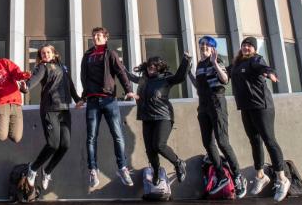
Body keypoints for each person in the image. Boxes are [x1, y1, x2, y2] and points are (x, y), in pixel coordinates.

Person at [228, 36, 290, 202]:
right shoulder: (236, 64)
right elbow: (224, 72)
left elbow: (264, 67)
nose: (246, 48)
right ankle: (261, 175)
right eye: (244, 45)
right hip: (246, 107)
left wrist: (270, 74)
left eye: (249, 46)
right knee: (254, 141)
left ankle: (282, 179)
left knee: (269, 140)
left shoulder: (255, 60)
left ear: (254, 49)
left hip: (261, 106)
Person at [76, 27, 136, 188]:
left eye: (98, 35)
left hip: (109, 100)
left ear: (105, 38)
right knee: (91, 137)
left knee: (117, 135)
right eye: (94, 35)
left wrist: (129, 90)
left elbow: (121, 72)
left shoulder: (111, 54)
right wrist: (83, 97)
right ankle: (93, 170)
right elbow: (84, 78)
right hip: (92, 102)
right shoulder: (87, 56)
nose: (95, 37)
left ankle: (122, 168)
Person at [187, 36, 247, 198]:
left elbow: (225, 79)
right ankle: (221, 175)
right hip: (203, 105)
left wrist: (214, 63)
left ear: (213, 48)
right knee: (208, 143)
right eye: (202, 44)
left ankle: (237, 175)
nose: (204, 47)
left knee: (222, 141)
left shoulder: (217, 60)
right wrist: (189, 72)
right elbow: (199, 85)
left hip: (217, 103)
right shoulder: (200, 65)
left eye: (207, 44)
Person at [127, 55, 191, 187]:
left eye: (155, 65)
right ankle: (156, 172)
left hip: (163, 116)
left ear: (160, 68)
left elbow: (180, 77)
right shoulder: (144, 80)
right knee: (150, 150)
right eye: (150, 65)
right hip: (147, 117)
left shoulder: (166, 79)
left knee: (159, 145)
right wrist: (119, 64)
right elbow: (130, 77)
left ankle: (178, 163)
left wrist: (186, 60)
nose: (152, 67)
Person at [24, 44, 81, 190]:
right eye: (42, 53)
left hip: (64, 110)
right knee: (53, 144)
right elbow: (34, 80)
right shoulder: (42, 67)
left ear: (54, 54)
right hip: (49, 109)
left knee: (65, 145)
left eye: (48, 52)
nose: (45, 55)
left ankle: (47, 171)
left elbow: (70, 85)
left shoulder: (63, 67)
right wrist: (25, 87)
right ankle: (33, 168)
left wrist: (77, 98)